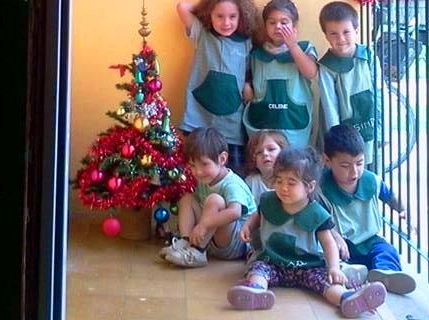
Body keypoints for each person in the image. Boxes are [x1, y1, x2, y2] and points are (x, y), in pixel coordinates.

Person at [227, 146, 387, 314]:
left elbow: (329, 244)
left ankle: (346, 298)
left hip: (308, 266)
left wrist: (334, 267)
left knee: (327, 282)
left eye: (291, 183)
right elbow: (258, 215)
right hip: (273, 262)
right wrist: (248, 226)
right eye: (279, 181)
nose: (283, 188)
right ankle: (256, 291)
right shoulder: (269, 201)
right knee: (258, 269)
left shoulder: (317, 213)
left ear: (309, 187)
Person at [320, 124, 415, 294]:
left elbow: (390, 196)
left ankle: (385, 274)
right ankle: (348, 273)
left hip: (369, 240)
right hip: (341, 244)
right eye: (345, 166)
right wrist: (335, 237)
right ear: (327, 161)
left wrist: (403, 211)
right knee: (327, 257)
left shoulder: (371, 180)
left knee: (386, 251)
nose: (354, 172)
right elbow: (319, 220)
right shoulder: (321, 189)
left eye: (359, 163)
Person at [177, 0, 257, 172]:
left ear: (241, 16)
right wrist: (208, 5)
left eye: (232, 16)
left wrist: (247, 83)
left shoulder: (246, 42)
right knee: (195, 170)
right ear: (210, 15)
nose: (226, 22)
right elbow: (182, 7)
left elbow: (248, 68)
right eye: (219, 16)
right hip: (199, 118)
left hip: (231, 123)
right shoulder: (202, 34)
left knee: (232, 172)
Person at [160, 127, 256, 267]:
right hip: (212, 237)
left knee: (214, 200)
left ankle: (197, 252)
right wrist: (202, 226)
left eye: (204, 164)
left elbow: (235, 212)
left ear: (222, 159)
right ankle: (186, 242)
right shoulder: (205, 179)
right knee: (187, 198)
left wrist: (204, 224)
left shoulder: (232, 184)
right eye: (193, 165)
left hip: (237, 243)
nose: (198, 172)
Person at [243, 0, 319, 149]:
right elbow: (247, 75)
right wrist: (247, 86)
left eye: (284, 22)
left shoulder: (304, 48)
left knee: (293, 159)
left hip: (293, 120)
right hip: (263, 120)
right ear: (265, 26)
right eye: (272, 22)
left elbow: (311, 73)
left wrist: (292, 45)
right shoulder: (256, 53)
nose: (278, 26)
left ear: (294, 25)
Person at [316, 1, 378, 166]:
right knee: (346, 168)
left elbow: (379, 92)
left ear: (356, 31)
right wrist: (337, 144)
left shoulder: (368, 56)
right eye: (333, 34)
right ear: (326, 35)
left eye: (346, 32)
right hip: (342, 132)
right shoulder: (327, 66)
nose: (341, 39)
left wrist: (380, 130)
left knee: (370, 167)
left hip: (370, 125)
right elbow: (330, 108)